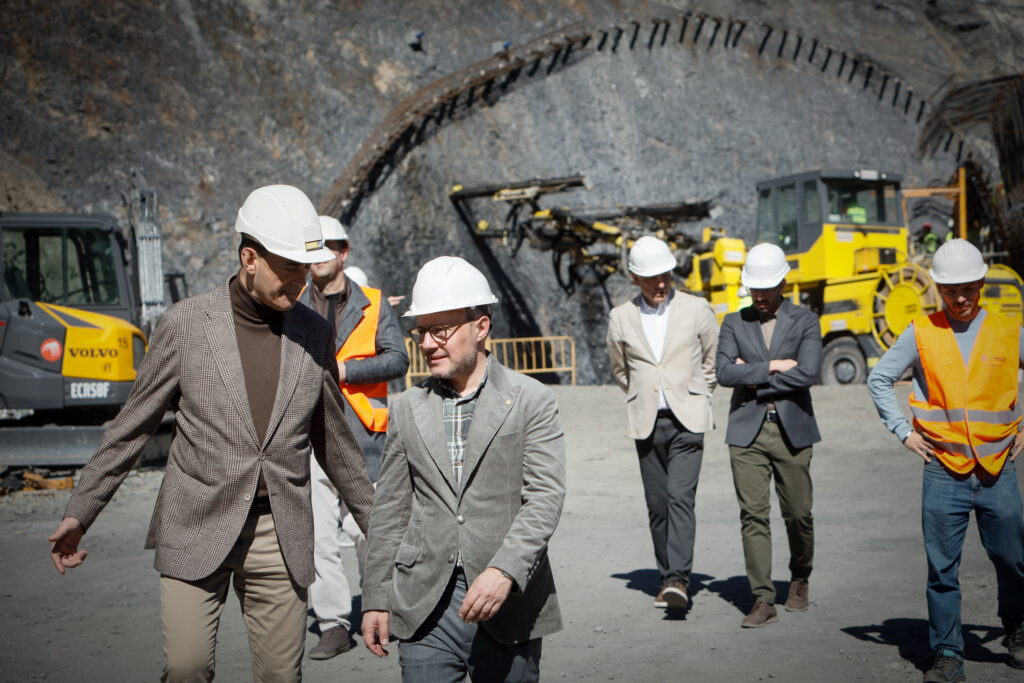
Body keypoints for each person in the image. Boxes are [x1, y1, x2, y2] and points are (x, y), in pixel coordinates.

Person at [48, 185, 376, 682]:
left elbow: (335, 444)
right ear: (249, 258)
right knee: (186, 668)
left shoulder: (314, 332)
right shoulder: (185, 325)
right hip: (195, 521)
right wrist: (80, 511)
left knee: (281, 677)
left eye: (306, 267)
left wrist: (382, 530)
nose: (301, 280)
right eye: (288, 267)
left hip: (279, 531)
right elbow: (130, 429)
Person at [361, 256, 565, 682]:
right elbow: (391, 509)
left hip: (505, 604)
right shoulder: (407, 408)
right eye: (421, 332)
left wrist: (504, 569)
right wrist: (376, 597)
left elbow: (544, 498)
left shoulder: (531, 400)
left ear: (481, 326)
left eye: (441, 330)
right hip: (424, 604)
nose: (429, 343)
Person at [867, 238, 1024, 682]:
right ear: (938, 289)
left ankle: (1017, 629)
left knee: (1013, 559)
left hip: (998, 469)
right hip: (943, 471)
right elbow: (879, 379)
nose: (960, 299)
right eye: (951, 290)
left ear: (981, 284)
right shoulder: (920, 333)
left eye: (969, 289)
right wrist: (903, 432)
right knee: (942, 569)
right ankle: (947, 653)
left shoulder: (1008, 331)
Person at [297, 215, 409, 660]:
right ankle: (333, 624)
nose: (321, 255)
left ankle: (383, 608)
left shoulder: (373, 304)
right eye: (315, 247)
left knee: (372, 531)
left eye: (330, 246)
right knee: (319, 536)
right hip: (310, 436)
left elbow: (398, 358)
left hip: (364, 437)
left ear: (345, 252)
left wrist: (346, 370)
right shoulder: (293, 305)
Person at [606, 236, 718, 609]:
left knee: (679, 498)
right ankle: (665, 575)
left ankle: (677, 580)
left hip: (689, 420)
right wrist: (644, 393)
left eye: (665, 275)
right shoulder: (620, 317)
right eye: (651, 277)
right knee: (657, 505)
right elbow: (620, 369)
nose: (660, 284)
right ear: (635, 278)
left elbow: (711, 359)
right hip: (646, 423)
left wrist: (697, 393)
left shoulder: (697, 308)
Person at [715, 242, 822, 628]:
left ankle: (800, 577)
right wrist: (775, 366)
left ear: (783, 283)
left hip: (793, 430)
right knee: (752, 516)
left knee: (798, 513)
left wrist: (753, 374)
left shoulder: (807, 320)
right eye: (753, 289)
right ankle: (763, 599)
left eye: (767, 288)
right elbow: (725, 374)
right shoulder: (732, 322)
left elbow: (808, 372)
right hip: (746, 432)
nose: (759, 296)